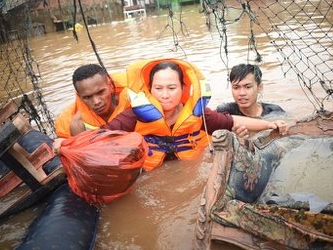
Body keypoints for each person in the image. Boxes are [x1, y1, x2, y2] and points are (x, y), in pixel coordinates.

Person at [65, 59, 288, 171]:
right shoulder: (134, 115)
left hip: (191, 168)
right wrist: (76, 139)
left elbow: (231, 121)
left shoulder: (198, 115)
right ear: (149, 90)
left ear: (183, 88)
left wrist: (270, 125)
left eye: (171, 88)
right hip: (151, 174)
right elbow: (104, 137)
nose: (164, 95)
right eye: (158, 88)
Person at [54, 64, 130, 138]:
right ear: (79, 96)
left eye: (100, 92)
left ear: (110, 86)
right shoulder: (77, 125)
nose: (96, 102)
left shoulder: (132, 101)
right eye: (87, 97)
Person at [216, 63, 285, 118]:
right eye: (236, 87)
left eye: (248, 87)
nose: (242, 93)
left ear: (259, 87)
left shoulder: (274, 111)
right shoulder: (224, 112)